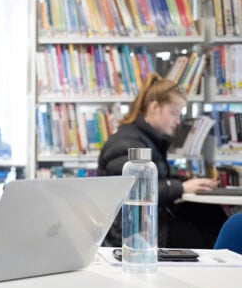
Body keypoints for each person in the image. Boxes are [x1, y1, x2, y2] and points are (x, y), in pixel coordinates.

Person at [97, 73, 228, 249]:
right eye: (174, 113)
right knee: (206, 231)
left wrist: (185, 181)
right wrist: (181, 187)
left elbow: (156, 178)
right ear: (155, 106)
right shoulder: (128, 143)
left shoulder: (146, 139)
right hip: (130, 231)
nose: (177, 121)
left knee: (208, 215)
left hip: (147, 222)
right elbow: (136, 192)